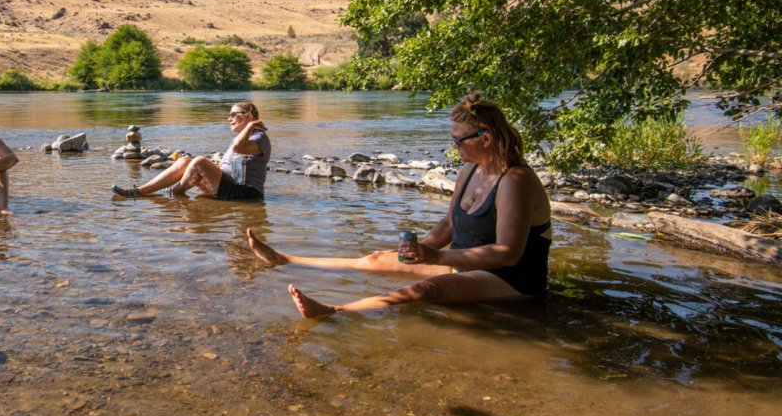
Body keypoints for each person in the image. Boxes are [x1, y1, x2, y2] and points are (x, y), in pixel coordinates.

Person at [248, 93, 551, 317]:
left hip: (511, 281)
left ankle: (336, 310)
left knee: (426, 291)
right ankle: (286, 259)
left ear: (485, 138)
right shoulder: (469, 171)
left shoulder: (516, 179)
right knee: (379, 258)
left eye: (459, 140)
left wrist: (437, 258)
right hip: (463, 266)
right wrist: (422, 252)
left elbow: (508, 254)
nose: (454, 146)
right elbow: (449, 224)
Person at [112, 101, 270, 200]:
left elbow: (238, 149)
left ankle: (173, 192)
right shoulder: (238, 139)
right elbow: (228, 165)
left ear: (248, 115)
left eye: (233, 115)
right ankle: (138, 191)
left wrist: (251, 125)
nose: (228, 119)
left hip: (245, 193)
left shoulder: (259, 137)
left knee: (199, 161)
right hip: (229, 187)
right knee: (184, 161)